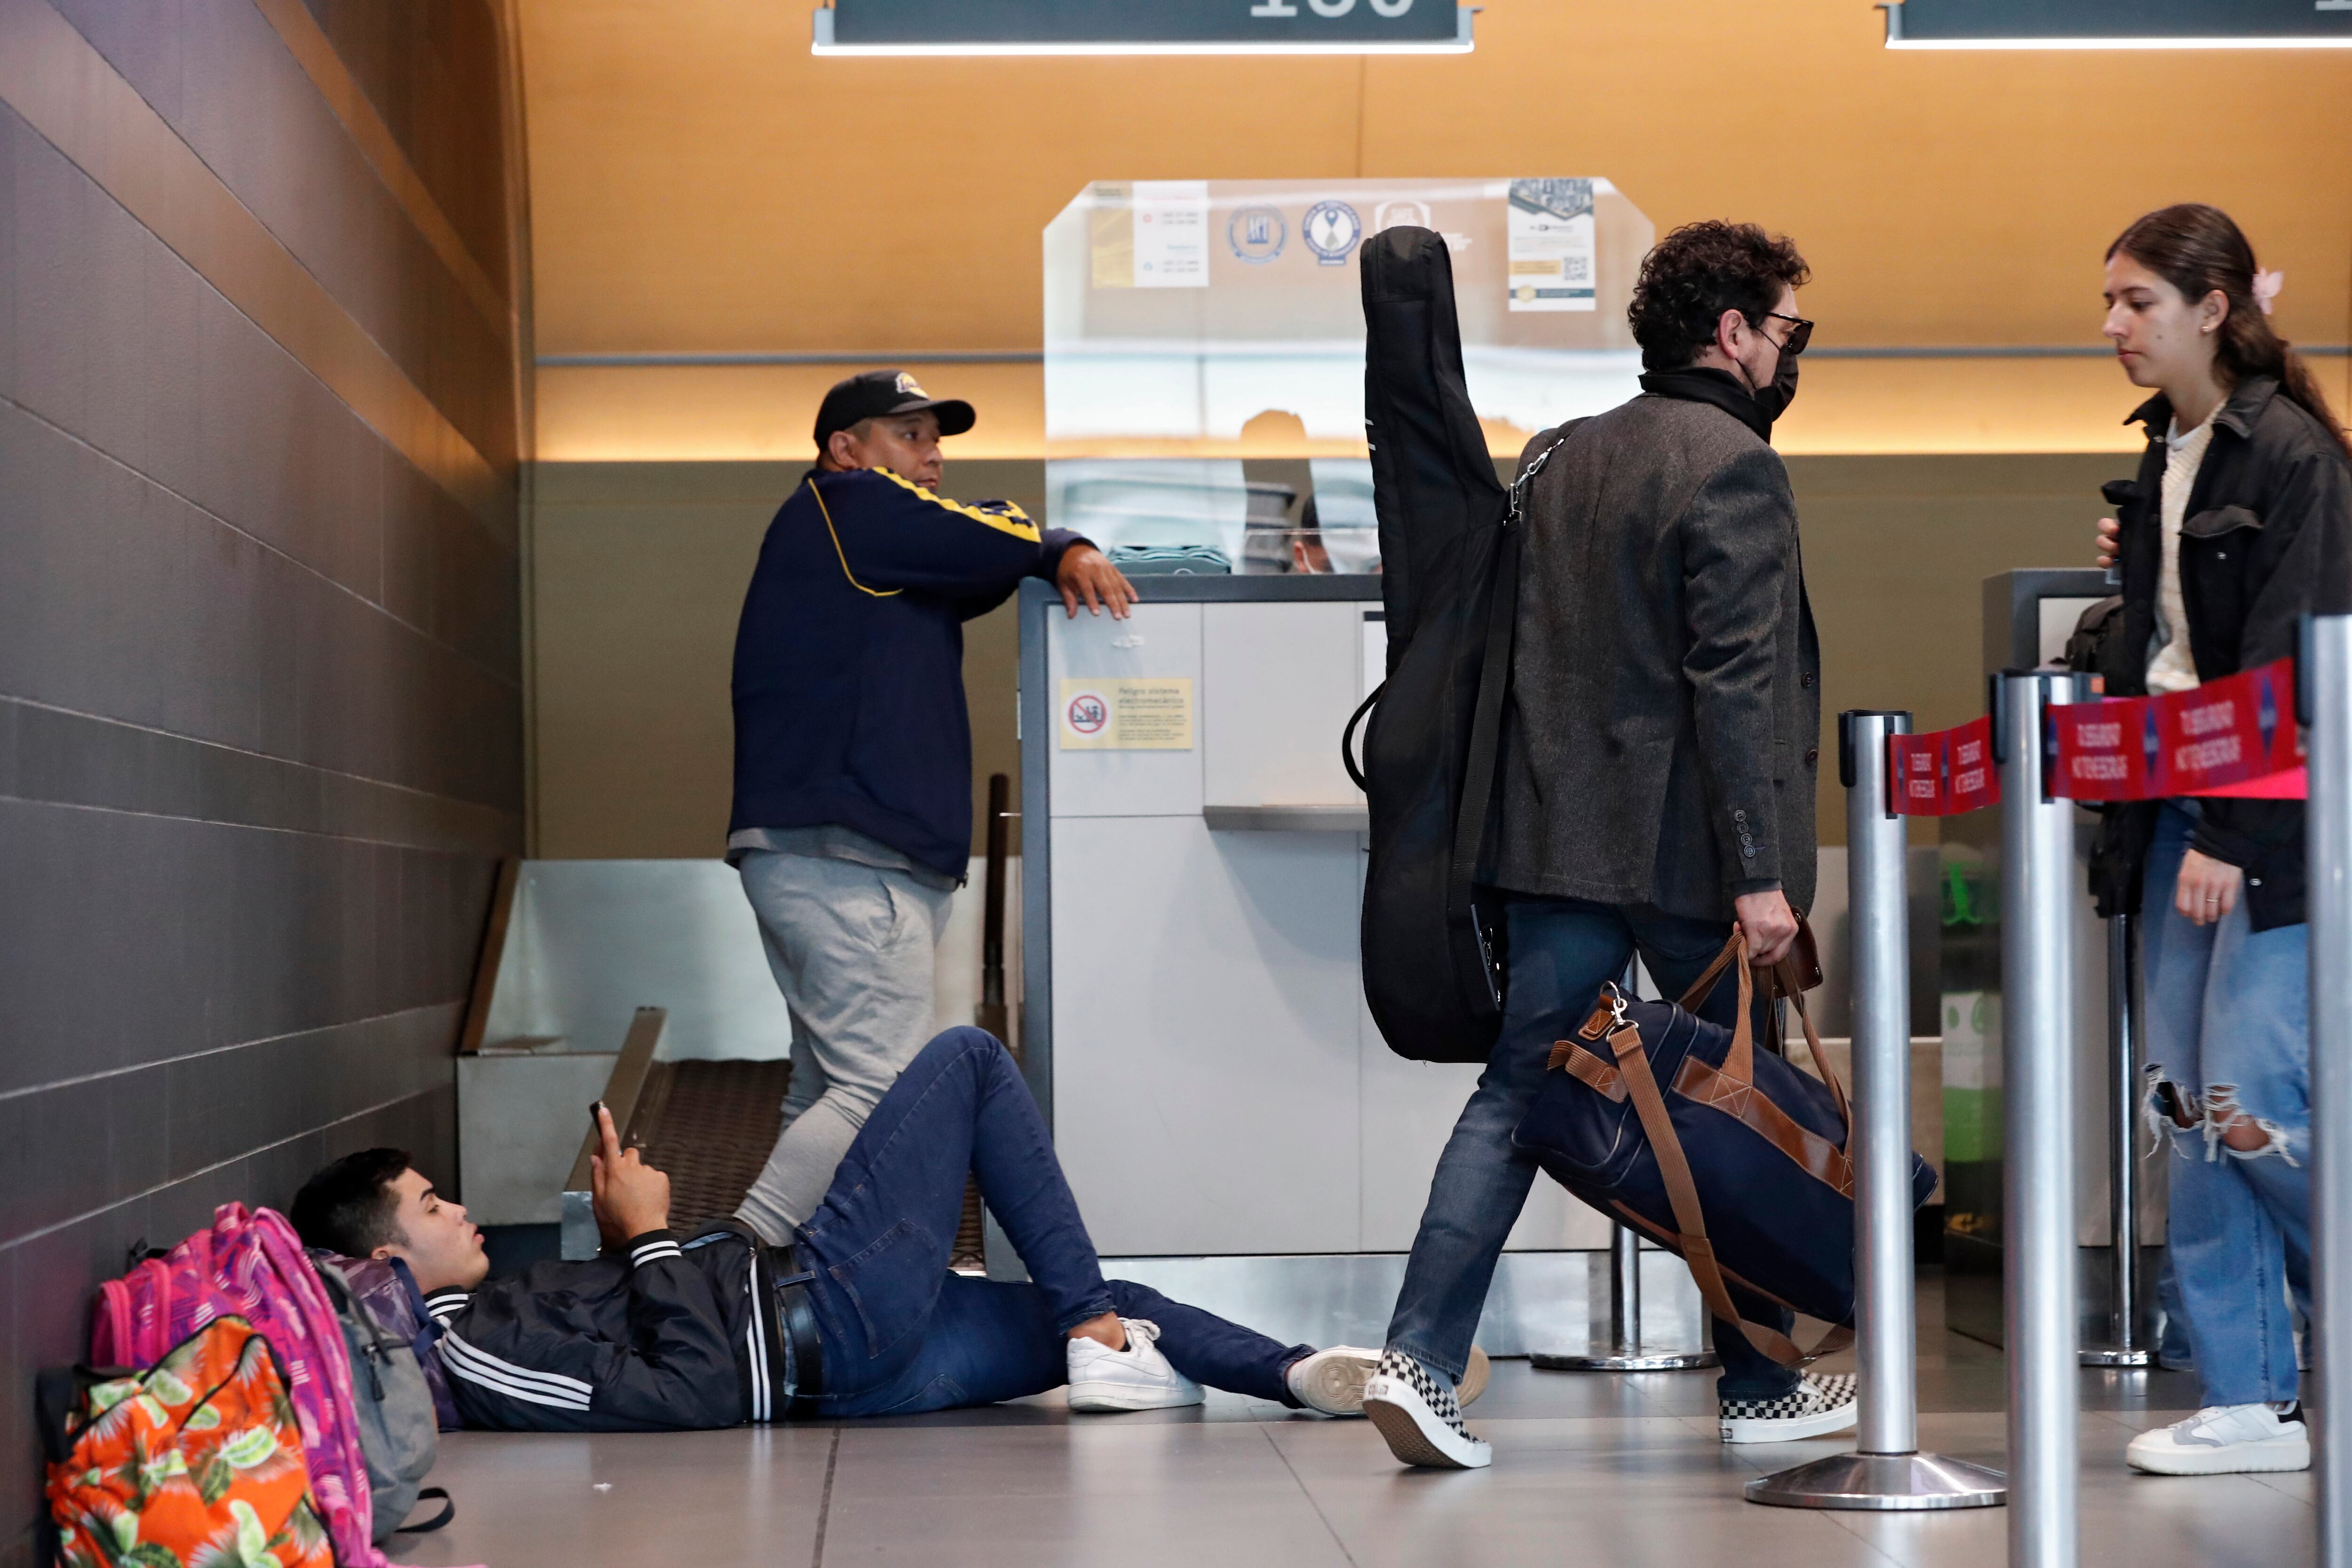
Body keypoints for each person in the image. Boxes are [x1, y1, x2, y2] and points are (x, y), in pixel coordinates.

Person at [1361, 221, 1839, 1470]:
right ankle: (1755, 1378)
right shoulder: (1730, 460)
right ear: (1731, 333)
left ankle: (1418, 1359)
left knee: (1517, 1091)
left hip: (1547, 839)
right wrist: (1764, 875)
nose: (1794, 354)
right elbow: (1735, 681)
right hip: (1682, 852)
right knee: (1725, 1109)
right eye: (1790, 330)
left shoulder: (1560, 455)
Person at [289, 1029, 1389, 1431]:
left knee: (1114, 1326)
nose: (463, 1207)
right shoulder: (469, 1347)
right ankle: (1088, 1314)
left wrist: (678, 1240)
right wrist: (649, 1236)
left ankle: (1303, 1375)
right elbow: (695, 1391)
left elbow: (671, 1330)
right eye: (435, 1206)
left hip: (852, 1351)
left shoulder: (485, 1305)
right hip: (829, 1321)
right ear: (383, 1257)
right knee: (965, 1061)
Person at [725, 370, 1135, 1246]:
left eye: (936, 440)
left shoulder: (873, 549)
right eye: (909, 436)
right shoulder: (848, 505)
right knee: (875, 1087)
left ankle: (791, 1289)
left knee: (825, 1089)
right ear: (847, 448)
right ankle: (731, 1267)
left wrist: (1042, 547)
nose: (933, 457)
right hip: (848, 857)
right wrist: (1057, 541)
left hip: (819, 857)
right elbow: (998, 539)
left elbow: (975, 564)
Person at [2082, 204, 2352, 1478]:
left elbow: (2289, 663)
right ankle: (2247, 1391)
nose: (2116, 326)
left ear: (2216, 306)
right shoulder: (2167, 455)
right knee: (2187, 1109)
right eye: (2112, 302)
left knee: (2254, 1097)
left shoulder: (2290, 453)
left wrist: (2234, 833)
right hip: (2178, 809)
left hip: (2267, 817)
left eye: (2139, 301)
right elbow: (2171, 650)